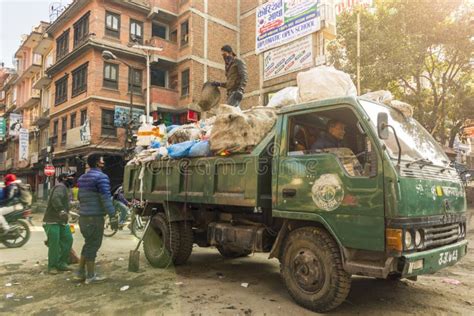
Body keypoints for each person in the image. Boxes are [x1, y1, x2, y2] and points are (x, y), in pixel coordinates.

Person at [75, 154, 118, 284]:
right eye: (101, 159)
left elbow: (80, 197)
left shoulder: (82, 178)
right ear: (98, 163)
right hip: (95, 217)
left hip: (83, 217)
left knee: (88, 244)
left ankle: (80, 273)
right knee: (93, 245)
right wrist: (113, 215)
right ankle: (90, 276)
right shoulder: (102, 177)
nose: (103, 161)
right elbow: (105, 198)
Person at [43, 173, 75, 274]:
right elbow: (55, 199)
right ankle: (52, 266)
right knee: (54, 244)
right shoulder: (60, 187)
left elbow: (65, 202)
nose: (72, 178)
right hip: (52, 221)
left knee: (68, 239)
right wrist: (61, 210)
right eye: (70, 177)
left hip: (62, 221)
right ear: (63, 178)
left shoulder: (66, 189)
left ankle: (62, 263)